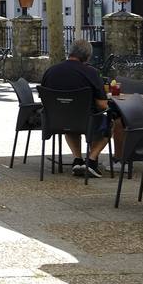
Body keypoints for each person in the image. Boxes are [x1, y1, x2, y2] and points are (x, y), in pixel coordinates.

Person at [38, 39, 109, 179]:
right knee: (109, 122)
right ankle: (92, 160)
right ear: (88, 56)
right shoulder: (91, 73)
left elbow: (44, 98)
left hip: (57, 121)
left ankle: (77, 160)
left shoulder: (51, 71)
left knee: (70, 120)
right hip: (86, 121)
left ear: (70, 52)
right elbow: (102, 105)